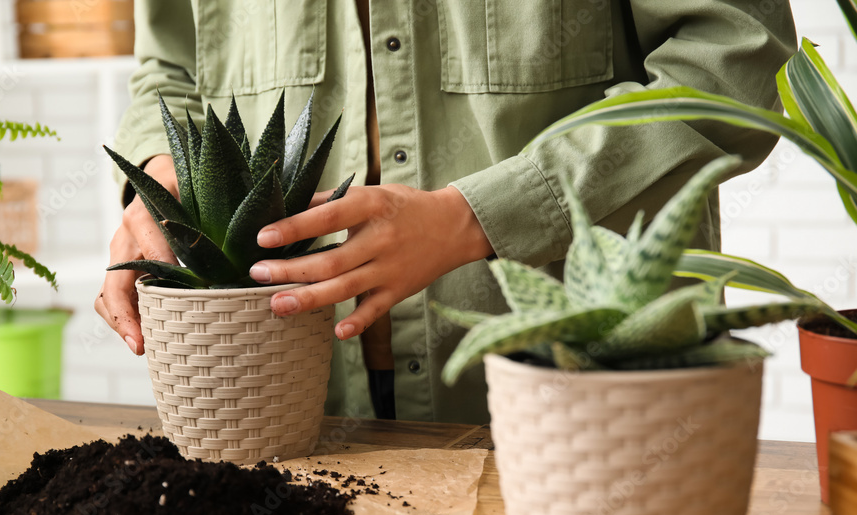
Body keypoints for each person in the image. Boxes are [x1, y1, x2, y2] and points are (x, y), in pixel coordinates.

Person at [96, 1, 796, 424]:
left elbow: (737, 59)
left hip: (586, 388)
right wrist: (162, 177)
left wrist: (478, 216)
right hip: (297, 393)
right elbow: (173, 71)